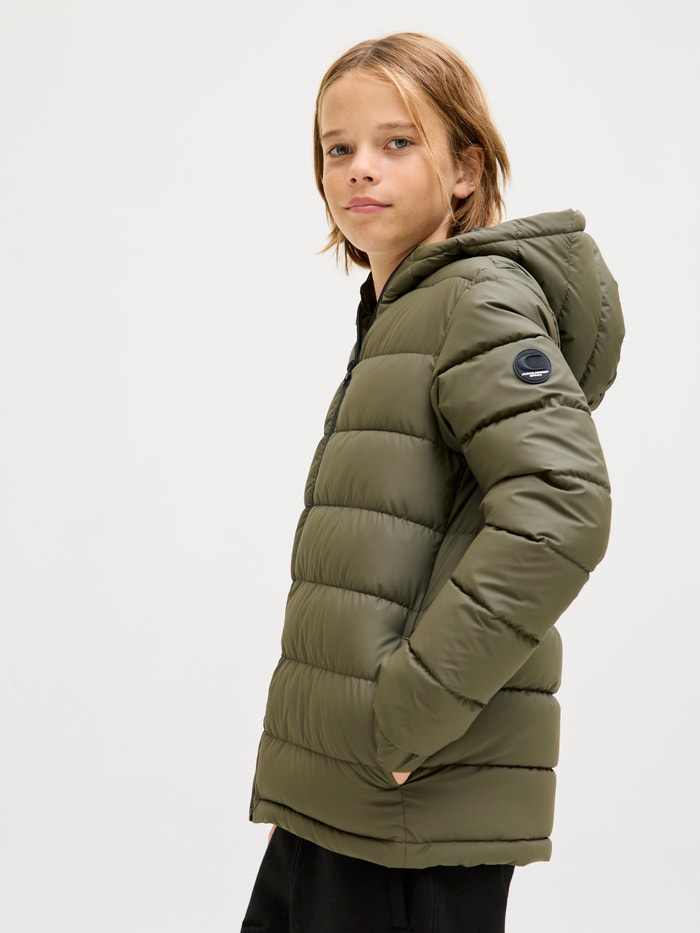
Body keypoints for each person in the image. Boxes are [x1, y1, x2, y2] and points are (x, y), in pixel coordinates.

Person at [241, 31, 624, 932]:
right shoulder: (404, 312)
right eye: (338, 147)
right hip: (340, 796)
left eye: (397, 142)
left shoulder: (476, 302)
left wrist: (407, 718)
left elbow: (563, 506)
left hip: (408, 810)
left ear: (464, 169)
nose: (359, 168)